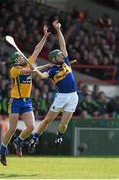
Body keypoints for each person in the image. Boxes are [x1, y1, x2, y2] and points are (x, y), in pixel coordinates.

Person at [0, 25, 51, 166]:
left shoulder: (27, 65)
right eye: (21, 57)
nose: (24, 58)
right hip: (15, 101)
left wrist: (44, 37)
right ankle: (2, 151)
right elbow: (29, 72)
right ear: (17, 60)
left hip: (26, 101)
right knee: (12, 128)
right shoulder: (14, 70)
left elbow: (37, 50)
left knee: (30, 127)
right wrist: (37, 68)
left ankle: (19, 141)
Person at [29, 20, 79, 150]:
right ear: (53, 59)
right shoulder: (52, 70)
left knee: (64, 125)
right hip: (61, 97)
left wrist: (58, 30)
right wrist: (36, 70)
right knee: (47, 120)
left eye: (61, 54)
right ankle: (35, 138)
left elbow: (63, 46)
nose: (62, 55)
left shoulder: (66, 62)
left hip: (73, 96)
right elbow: (42, 76)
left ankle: (59, 135)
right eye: (59, 55)